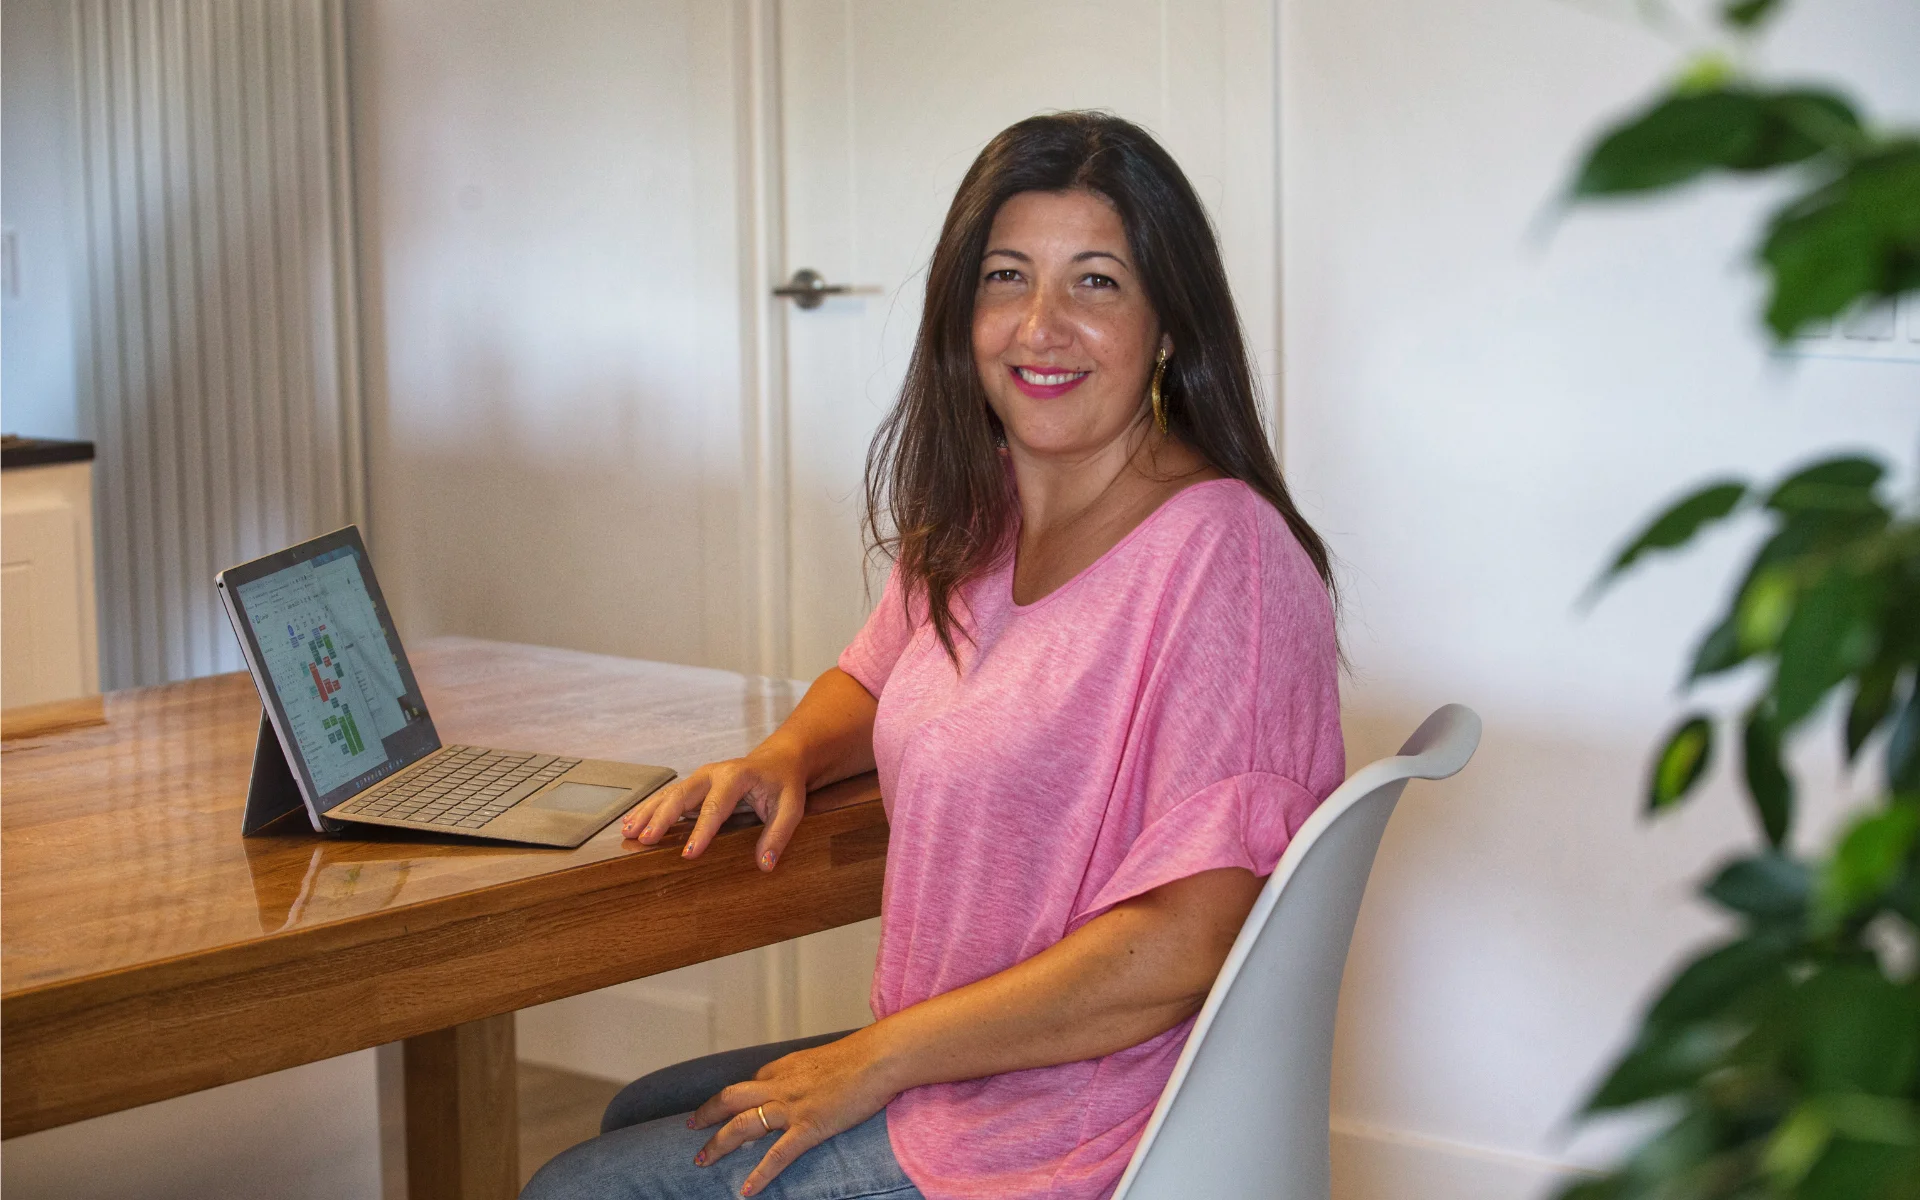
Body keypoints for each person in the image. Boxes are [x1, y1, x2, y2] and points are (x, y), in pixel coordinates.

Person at [522, 110, 1342, 1200]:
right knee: (642, 1109)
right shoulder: (981, 511)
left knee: (583, 1187)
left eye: (1096, 283)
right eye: (1007, 278)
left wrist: (877, 1060)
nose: (1040, 326)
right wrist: (786, 755)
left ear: (1168, 326)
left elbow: (1190, 942)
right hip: (971, 1059)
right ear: (964, 311)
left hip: (1081, 1119)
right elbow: (875, 675)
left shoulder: (1223, 556)